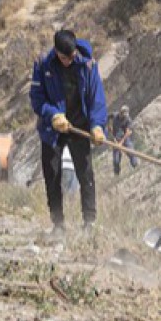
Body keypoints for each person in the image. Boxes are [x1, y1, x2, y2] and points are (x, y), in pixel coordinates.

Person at [29, 29, 107, 232]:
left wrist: (97, 125)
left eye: (71, 57)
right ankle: (58, 224)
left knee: (85, 173)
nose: (68, 61)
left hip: (79, 125)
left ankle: (89, 223)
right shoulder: (43, 64)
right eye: (64, 58)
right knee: (52, 173)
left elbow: (96, 98)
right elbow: (37, 98)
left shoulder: (87, 64)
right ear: (56, 52)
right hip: (52, 127)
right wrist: (53, 115)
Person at [108, 105, 133, 176]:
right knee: (116, 160)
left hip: (125, 138)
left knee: (132, 154)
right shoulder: (114, 115)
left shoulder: (128, 120)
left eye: (125, 115)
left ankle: (135, 166)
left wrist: (121, 142)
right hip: (115, 139)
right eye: (123, 115)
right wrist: (109, 125)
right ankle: (117, 174)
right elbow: (107, 117)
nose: (124, 117)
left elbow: (128, 132)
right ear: (120, 113)